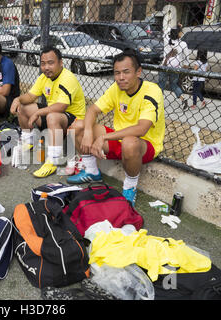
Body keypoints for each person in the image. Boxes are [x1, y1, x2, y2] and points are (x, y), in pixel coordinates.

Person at [66, 49, 165, 207]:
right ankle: (91, 171)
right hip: (118, 139)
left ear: (138, 72)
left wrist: (103, 137)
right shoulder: (116, 88)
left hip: (143, 145)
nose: (121, 77)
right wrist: (89, 133)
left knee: (129, 142)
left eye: (126, 72)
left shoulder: (152, 90)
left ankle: (129, 188)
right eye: (117, 73)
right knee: (77, 126)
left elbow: (141, 129)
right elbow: (92, 110)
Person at [10, 46, 86, 178]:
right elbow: (30, 96)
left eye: (51, 63)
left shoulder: (67, 78)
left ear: (60, 63)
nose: (46, 67)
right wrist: (18, 99)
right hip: (55, 115)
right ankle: (29, 141)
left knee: (52, 117)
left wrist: (38, 113)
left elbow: (61, 106)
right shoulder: (44, 77)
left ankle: (53, 160)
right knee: (23, 107)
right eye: (43, 63)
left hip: (73, 121)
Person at [158, 24, 190, 110]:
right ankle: (183, 99)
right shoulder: (183, 44)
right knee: (174, 85)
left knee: (161, 85)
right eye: (181, 31)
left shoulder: (166, 39)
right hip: (175, 68)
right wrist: (185, 66)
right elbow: (186, 58)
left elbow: (165, 30)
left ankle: (159, 103)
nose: (182, 33)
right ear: (178, 33)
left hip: (164, 66)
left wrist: (174, 26)